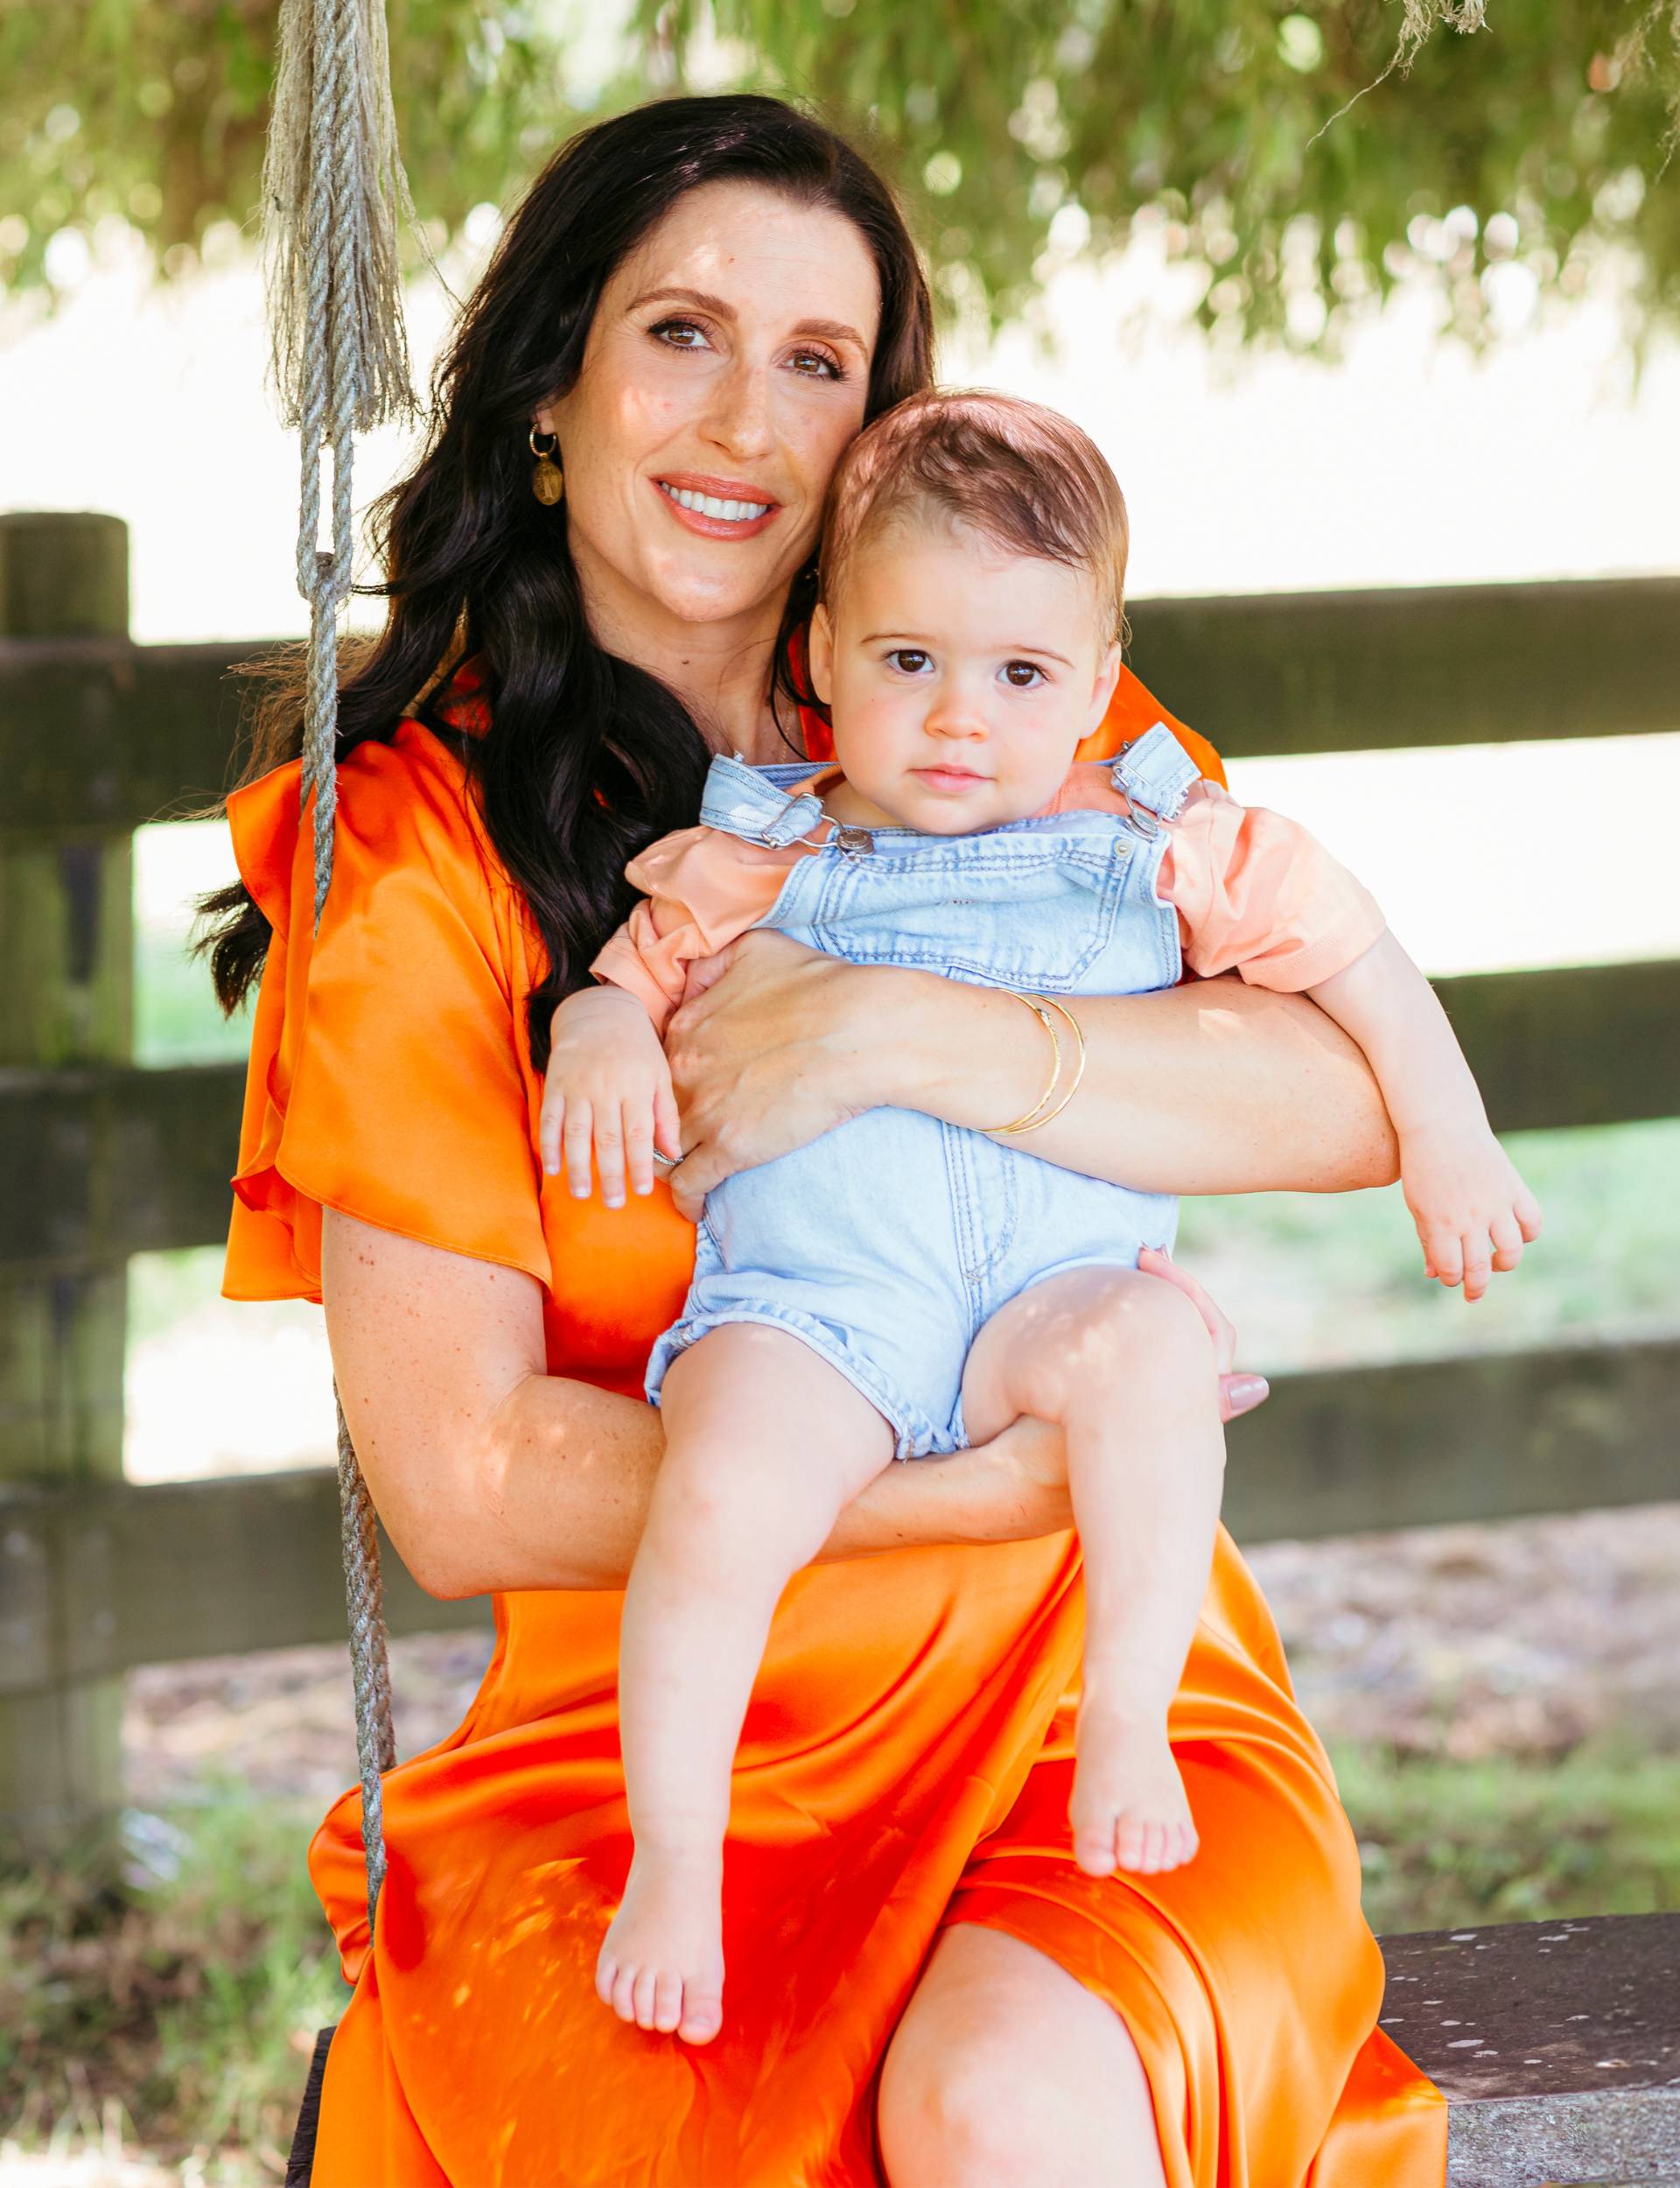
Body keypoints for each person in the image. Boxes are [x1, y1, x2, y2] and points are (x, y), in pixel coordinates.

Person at [207, 93, 1452, 2186]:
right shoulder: (416, 859)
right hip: (663, 1770)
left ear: (880, 425)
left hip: (1090, 1709)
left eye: (819, 361)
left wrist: (904, 1030)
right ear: (554, 386)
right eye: (682, 331)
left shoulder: (985, 698)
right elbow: (465, 1477)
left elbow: (1344, 1090)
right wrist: (965, 1481)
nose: (743, 419)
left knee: (1001, 2108)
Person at [548, 389, 1543, 2046]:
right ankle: (678, 1853)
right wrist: (593, 1033)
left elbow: (1351, 950)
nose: (958, 719)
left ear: (1095, 679)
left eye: (1019, 676)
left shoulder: (1156, 844)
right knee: (717, 1494)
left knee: (1154, 1349)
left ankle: (1132, 1721)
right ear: (827, 655)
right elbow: (624, 982)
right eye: (908, 661)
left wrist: (1446, 1133)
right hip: (823, 1315)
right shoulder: (760, 852)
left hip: (1043, 1308)